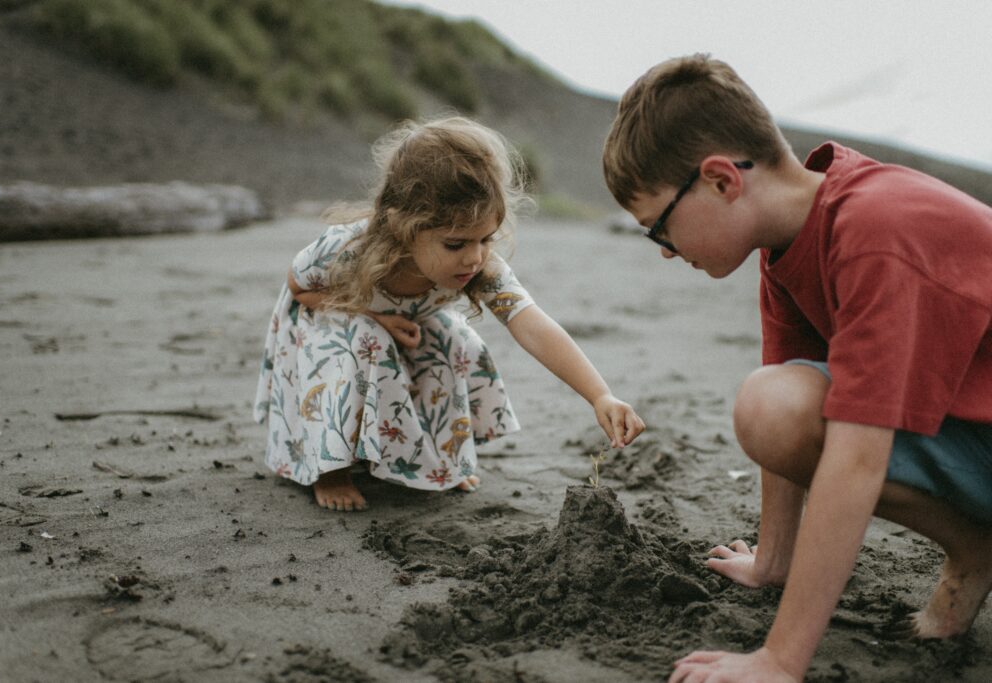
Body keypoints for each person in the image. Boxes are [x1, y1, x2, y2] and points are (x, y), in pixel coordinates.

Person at [602, 53, 992, 682]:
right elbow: (787, 411)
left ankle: (973, 551)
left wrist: (780, 661)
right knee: (772, 404)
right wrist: (771, 563)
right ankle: (976, 547)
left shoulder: (876, 229)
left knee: (817, 423)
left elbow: (857, 456)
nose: (667, 254)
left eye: (659, 231)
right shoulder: (789, 238)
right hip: (976, 434)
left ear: (722, 180)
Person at [254, 116, 644, 512]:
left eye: (485, 240)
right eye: (456, 243)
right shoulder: (348, 249)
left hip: (401, 329)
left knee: (455, 338)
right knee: (365, 340)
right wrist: (374, 319)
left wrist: (600, 396)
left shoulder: (480, 266)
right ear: (402, 225)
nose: (474, 257)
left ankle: (437, 461)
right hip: (327, 329)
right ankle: (330, 467)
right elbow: (299, 288)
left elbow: (532, 325)